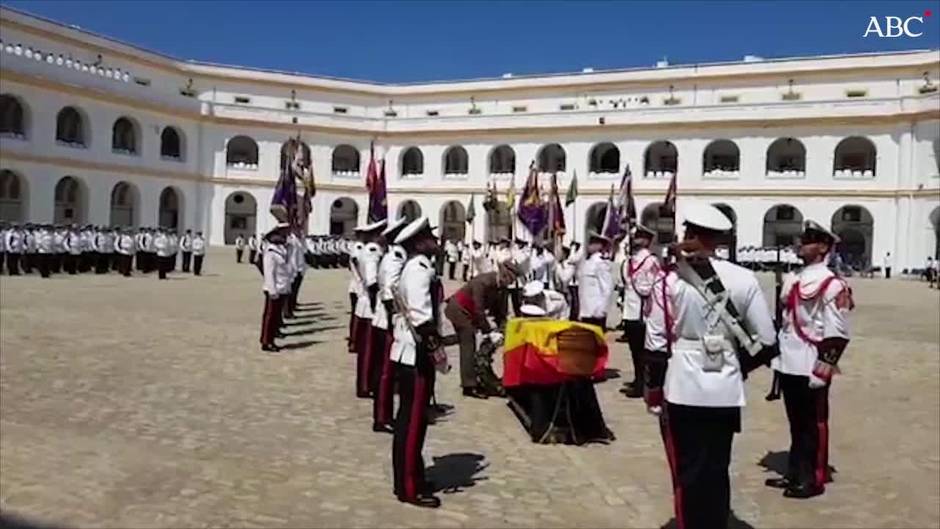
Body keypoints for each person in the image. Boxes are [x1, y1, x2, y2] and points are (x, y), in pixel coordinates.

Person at [652, 203, 777, 529]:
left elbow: (655, 341)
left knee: (687, 470)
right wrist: (736, 365)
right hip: (726, 391)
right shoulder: (744, 278)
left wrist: (652, 388)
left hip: (683, 388)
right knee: (717, 466)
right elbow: (767, 340)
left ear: (689, 234)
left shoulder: (671, 280)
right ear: (719, 239)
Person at [766, 220, 854, 499]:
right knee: (796, 423)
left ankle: (813, 477)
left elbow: (837, 333)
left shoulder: (832, 284)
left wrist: (823, 370)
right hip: (790, 360)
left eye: (807, 241)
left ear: (823, 247)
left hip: (811, 362)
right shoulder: (796, 279)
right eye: (801, 240)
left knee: (813, 423)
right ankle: (795, 471)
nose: (800, 245)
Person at [389, 216, 443, 509]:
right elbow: (422, 319)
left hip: (409, 351)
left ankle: (413, 476)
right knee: (412, 423)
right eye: (429, 238)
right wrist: (438, 352)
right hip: (415, 354)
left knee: (411, 420)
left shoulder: (416, 267)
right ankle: (409, 486)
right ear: (419, 242)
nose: (435, 242)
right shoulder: (419, 269)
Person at [444, 262, 515, 399]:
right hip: (459, 309)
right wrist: (488, 332)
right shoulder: (482, 282)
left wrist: (502, 329)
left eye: (511, 280)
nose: (508, 282)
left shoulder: (502, 289)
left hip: (470, 313)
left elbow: (501, 312)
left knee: (464, 338)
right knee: (468, 341)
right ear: (502, 274)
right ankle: (469, 386)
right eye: (507, 278)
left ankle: (444, 341)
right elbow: (479, 309)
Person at [370, 217, 409, 432]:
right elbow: (389, 293)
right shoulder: (395, 257)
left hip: (386, 319)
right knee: (386, 372)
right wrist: (396, 320)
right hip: (388, 322)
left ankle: (383, 414)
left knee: (385, 371)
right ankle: (382, 417)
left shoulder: (391, 255)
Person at [618, 225, 660, 398]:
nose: (636, 240)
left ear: (648, 241)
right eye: (636, 237)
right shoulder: (631, 259)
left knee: (641, 351)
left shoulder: (650, 261)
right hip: (631, 310)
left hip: (642, 312)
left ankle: (643, 384)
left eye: (640, 238)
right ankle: (638, 379)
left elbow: (649, 287)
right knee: (635, 350)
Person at [261, 225, 291, 352]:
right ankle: (266, 341)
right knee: (270, 316)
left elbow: (286, 269)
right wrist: (272, 291)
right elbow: (269, 273)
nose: (284, 237)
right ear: (274, 236)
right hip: (275, 290)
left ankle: (270, 338)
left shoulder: (281, 250)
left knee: (275, 316)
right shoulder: (271, 252)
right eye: (281, 234)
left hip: (282, 288)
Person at [577, 232, 614, 330]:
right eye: (590, 242)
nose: (589, 245)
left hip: (595, 312)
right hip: (586, 311)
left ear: (600, 245)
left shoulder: (600, 263)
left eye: (593, 243)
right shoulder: (587, 262)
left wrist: (601, 310)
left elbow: (607, 288)